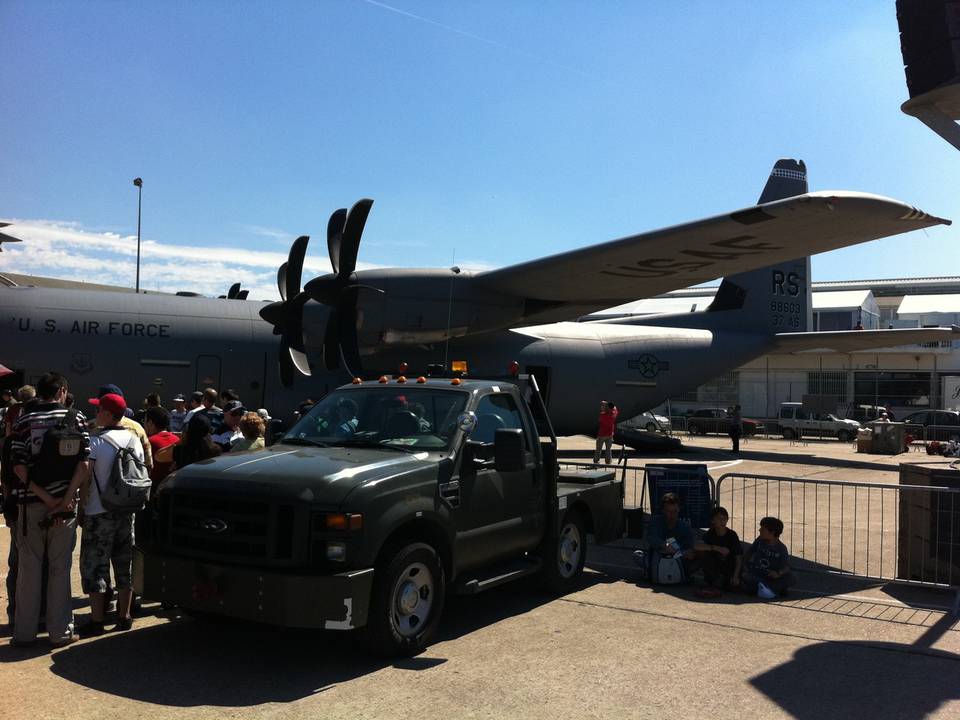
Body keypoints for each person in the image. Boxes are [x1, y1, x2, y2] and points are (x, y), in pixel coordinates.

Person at [9, 372, 90, 647]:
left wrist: (45, 498)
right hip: (64, 508)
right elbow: (84, 465)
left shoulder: (24, 420)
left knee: (29, 570)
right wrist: (64, 500)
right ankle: (60, 633)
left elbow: (18, 467)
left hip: (31, 504)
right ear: (62, 391)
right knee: (59, 569)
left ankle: (24, 633)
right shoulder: (76, 418)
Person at [63, 393, 143, 636]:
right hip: (126, 512)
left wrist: (81, 505)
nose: (96, 414)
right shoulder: (133, 439)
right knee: (124, 564)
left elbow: (86, 476)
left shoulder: (96, 441)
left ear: (108, 414)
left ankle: (97, 620)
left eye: (99, 410)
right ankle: (124, 615)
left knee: (95, 565)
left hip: (99, 512)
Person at [88, 384, 153, 473]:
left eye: (98, 408)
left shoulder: (91, 427)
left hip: (98, 484)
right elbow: (148, 464)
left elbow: (85, 468)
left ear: (107, 412)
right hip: (129, 484)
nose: (96, 412)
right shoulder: (137, 428)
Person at [639, 492, 697, 578]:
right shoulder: (655, 521)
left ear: (679, 510)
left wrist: (687, 552)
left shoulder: (685, 526)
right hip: (659, 556)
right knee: (637, 555)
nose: (672, 515)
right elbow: (651, 537)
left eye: (675, 511)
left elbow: (690, 545)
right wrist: (665, 545)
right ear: (663, 510)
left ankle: (683, 574)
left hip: (679, 558)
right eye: (668, 511)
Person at [694, 506, 742, 598]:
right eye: (720, 519)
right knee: (701, 553)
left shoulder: (732, 535)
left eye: (725, 519)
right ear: (713, 521)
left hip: (728, 569)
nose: (722, 521)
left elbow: (738, 557)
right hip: (715, 567)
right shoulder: (710, 533)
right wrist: (716, 548)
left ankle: (720, 583)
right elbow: (696, 546)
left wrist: (735, 576)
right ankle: (711, 581)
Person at [741, 516, 795, 598]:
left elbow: (786, 567)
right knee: (744, 574)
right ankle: (769, 589)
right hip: (756, 572)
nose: (759, 530)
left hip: (770, 576)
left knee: (791, 577)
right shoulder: (760, 540)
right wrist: (744, 564)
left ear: (772, 532)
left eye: (762, 529)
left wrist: (778, 573)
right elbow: (750, 551)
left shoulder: (781, 548)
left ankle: (763, 588)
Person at [143, 406, 179, 488]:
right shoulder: (176, 439)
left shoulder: (149, 442)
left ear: (150, 423)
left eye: (144, 421)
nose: (144, 424)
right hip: (173, 488)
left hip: (154, 490)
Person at [593, 400, 618, 464]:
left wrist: (605, 406)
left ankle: (596, 461)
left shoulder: (603, 415)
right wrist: (607, 404)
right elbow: (614, 408)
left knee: (598, 449)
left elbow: (599, 420)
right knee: (608, 449)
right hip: (610, 434)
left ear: (607, 408)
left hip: (602, 434)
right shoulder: (614, 413)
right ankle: (608, 461)